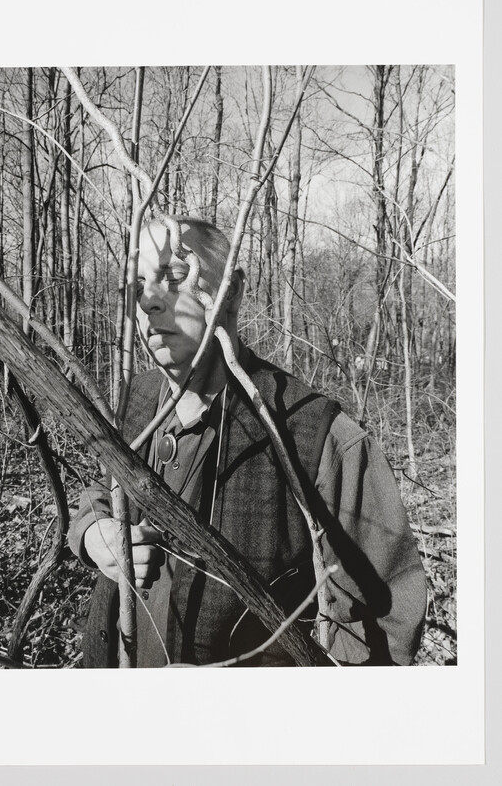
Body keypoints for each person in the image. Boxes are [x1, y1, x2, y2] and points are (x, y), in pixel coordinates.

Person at [68, 216, 427, 667]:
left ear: (231, 291)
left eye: (176, 277)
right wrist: (93, 533)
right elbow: (104, 495)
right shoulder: (137, 397)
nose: (148, 301)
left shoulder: (316, 435)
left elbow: (384, 619)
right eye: (136, 285)